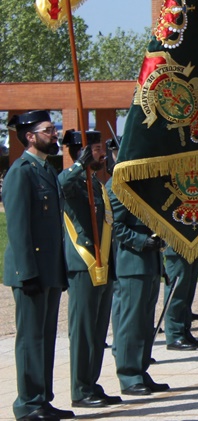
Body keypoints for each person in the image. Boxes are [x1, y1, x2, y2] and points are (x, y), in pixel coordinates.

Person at [3, 111, 73, 421]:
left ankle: (42, 399)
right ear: (31, 136)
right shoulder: (22, 172)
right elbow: (18, 229)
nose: (54, 134)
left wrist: (58, 271)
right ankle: (27, 404)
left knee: (45, 338)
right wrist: (27, 272)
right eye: (48, 130)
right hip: (31, 272)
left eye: (53, 128)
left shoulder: (45, 170)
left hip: (49, 271)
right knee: (31, 339)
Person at [58, 130, 121, 409]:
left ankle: (91, 383)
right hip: (83, 264)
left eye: (99, 149)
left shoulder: (95, 183)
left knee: (97, 331)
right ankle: (79, 388)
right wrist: (76, 166)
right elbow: (59, 186)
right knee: (83, 331)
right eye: (95, 149)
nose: (101, 154)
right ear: (82, 152)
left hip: (103, 263)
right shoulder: (74, 181)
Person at [109, 172, 171, 397]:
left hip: (150, 264)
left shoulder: (147, 186)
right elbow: (113, 224)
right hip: (132, 264)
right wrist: (141, 241)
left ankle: (141, 370)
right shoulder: (122, 186)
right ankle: (128, 375)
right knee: (131, 323)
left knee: (145, 324)